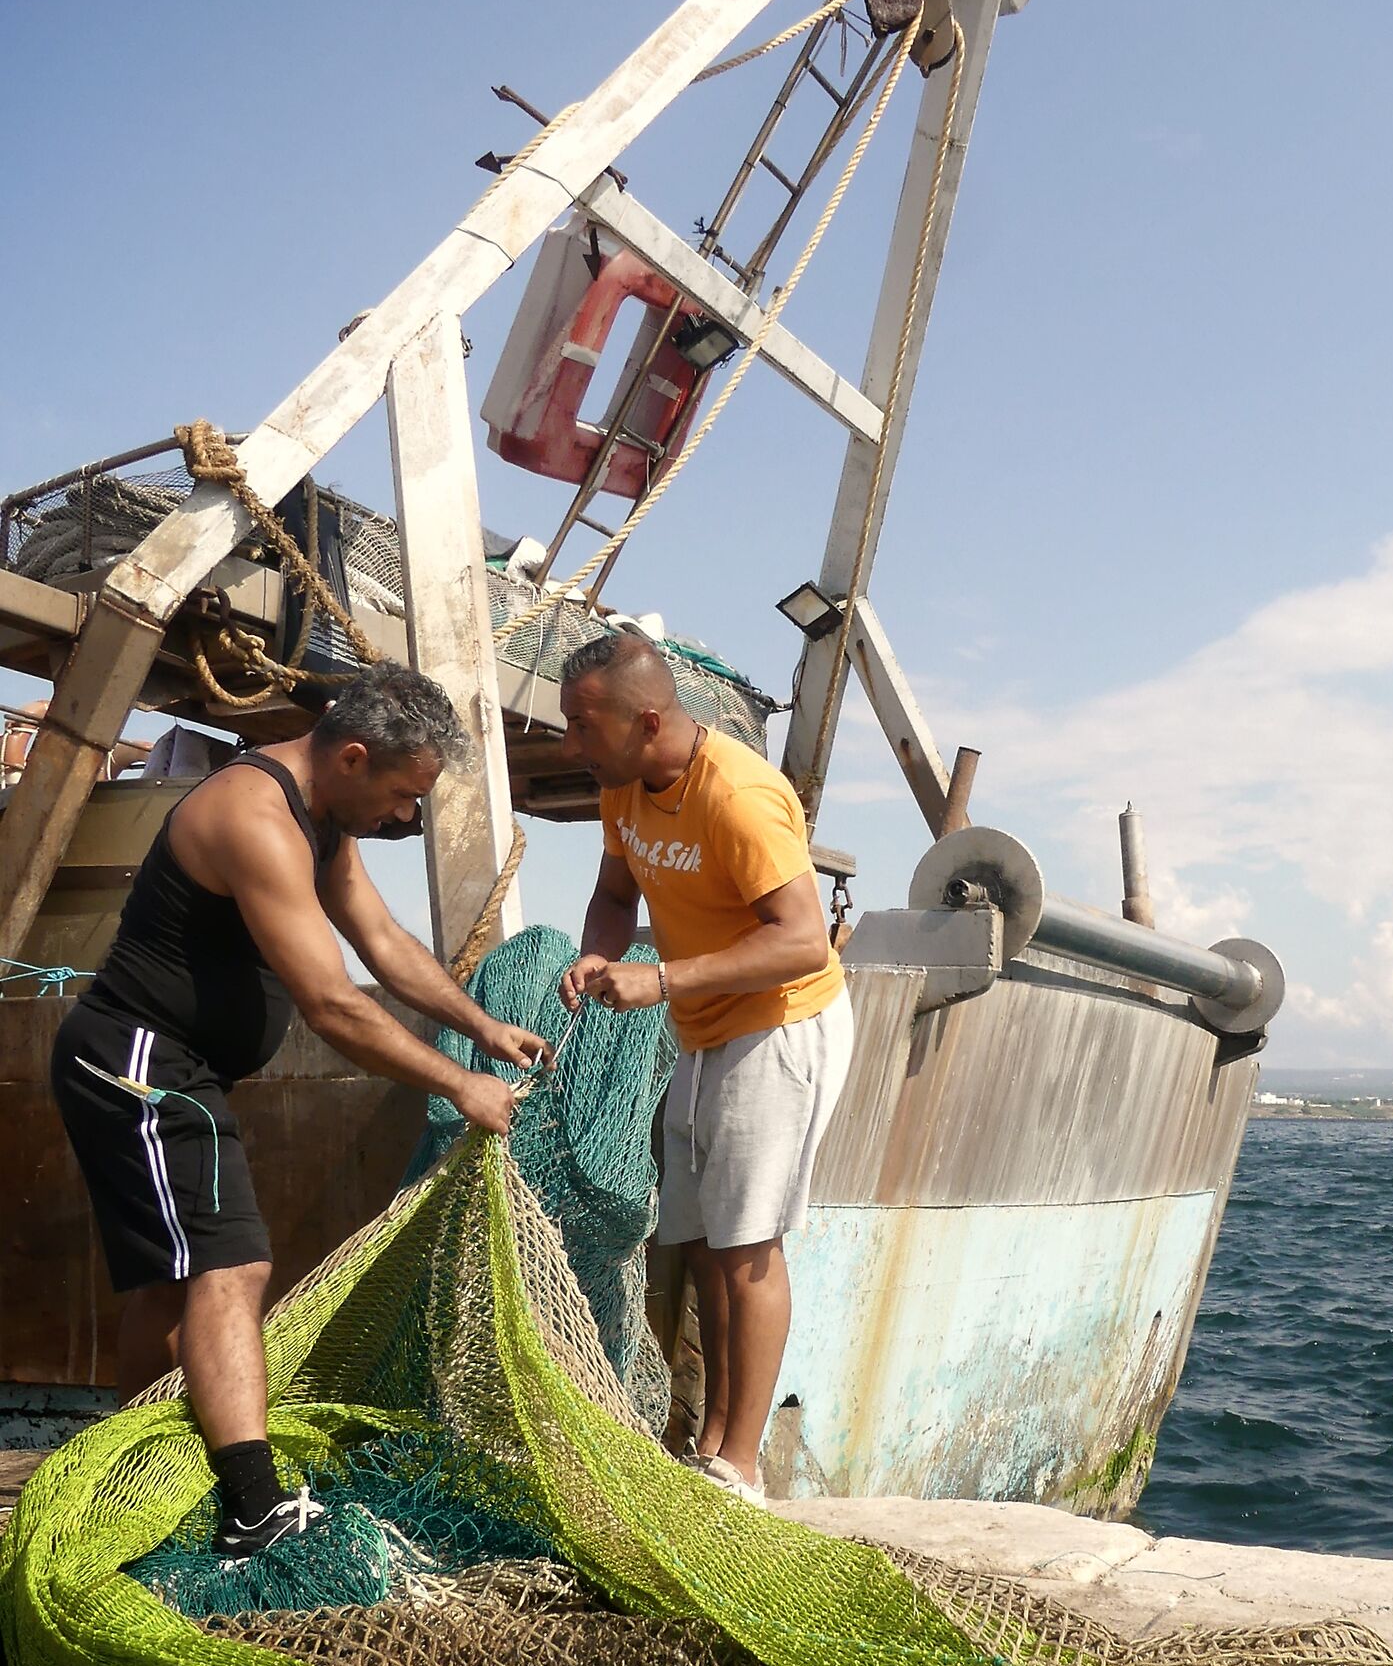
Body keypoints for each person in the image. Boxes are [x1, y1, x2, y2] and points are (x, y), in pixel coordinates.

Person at [50, 663, 548, 1555]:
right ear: (353, 758)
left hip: (172, 1067)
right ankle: (252, 1504)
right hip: (141, 1064)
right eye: (402, 797)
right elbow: (333, 1003)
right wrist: (455, 1082)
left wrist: (481, 1027)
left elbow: (382, 941)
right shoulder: (255, 816)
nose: (405, 818)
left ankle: (116, 1476)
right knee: (232, 1268)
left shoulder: (323, 814)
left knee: (172, 1287)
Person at [557, 630, 853, 1505]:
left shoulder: (741, 796)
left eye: (582, 724)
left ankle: (742, 1468)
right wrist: (597, 956)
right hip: (704, 1029)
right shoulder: (624, 788)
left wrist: (663, 978)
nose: (571, 742)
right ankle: (715, 1447)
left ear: (647, 720)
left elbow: (801, 941)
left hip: (780, 1023)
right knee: (707, 1245)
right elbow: (616, 896)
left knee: (748, 1245)